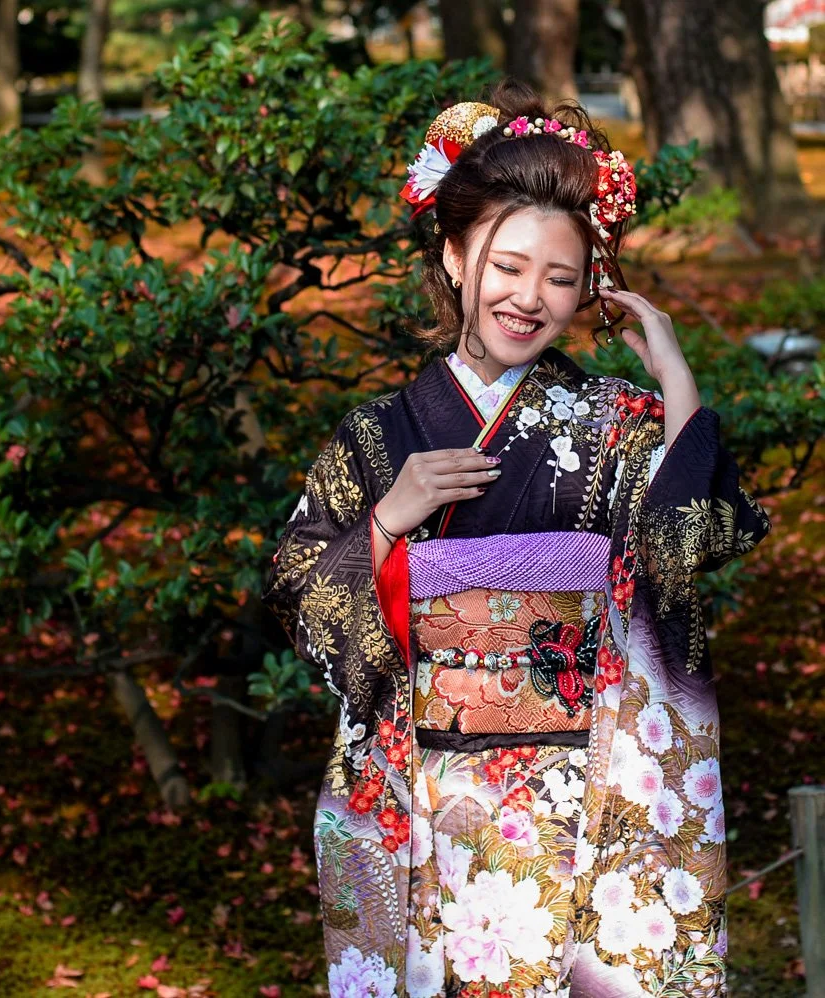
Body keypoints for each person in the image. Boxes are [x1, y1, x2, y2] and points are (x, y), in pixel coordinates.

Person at [262, 80, 771, 998]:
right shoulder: (379, 437)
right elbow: (300, 592)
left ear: (589, 289)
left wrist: (675, 371)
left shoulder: (617, 422)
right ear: (455, 257)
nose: (529, 297)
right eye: (507, 266)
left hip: (587, 795)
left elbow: (684, 541)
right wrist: (389, 516)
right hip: (421, 789)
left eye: (561, 277)